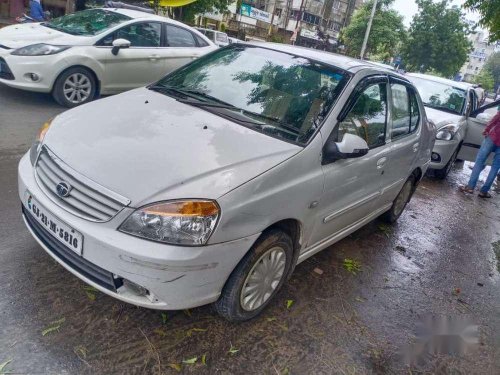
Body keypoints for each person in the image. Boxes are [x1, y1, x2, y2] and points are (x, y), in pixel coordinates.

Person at [460, 110, 500, 198]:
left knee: (479, 161)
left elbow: (495, 118)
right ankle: (484, 191)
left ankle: (470, 187)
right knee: (496, 167)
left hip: (493, 137)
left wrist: (486, 130)